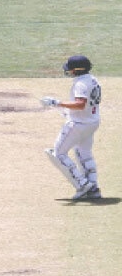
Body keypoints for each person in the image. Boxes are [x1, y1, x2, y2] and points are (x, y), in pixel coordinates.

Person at [41, 55, 102, 199]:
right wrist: (67, 111)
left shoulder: (81, 83)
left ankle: (82, 184)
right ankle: (93, 188)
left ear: (77, 70)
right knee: (84, 152)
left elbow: (80, 104)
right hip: (91, 122)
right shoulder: (93, 80)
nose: (69, 71)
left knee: (58, 153)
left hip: (79, 124)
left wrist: (57, 103)